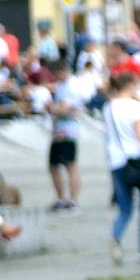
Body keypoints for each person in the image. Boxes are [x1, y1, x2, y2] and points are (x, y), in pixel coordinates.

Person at [104, 72, 140, 265]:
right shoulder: (136, 107)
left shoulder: (108, 107)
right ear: (130, 85)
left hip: (117, 161)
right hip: (139, 160)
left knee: (125, 209)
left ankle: (116, 237)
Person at [47, 63, 86, 210]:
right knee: (54, 166)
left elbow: (63, 109)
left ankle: (72, 199)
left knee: (70, 164)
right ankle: (61, 198)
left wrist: (51, 107)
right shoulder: (62, 86)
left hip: (68, 131)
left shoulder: (72, 86)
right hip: (60, 129)